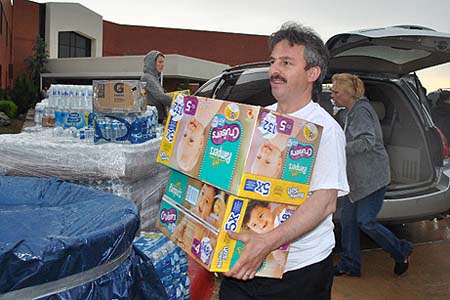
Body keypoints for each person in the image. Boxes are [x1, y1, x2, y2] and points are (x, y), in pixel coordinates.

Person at [220, 22, 349, 300]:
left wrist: (267, 242)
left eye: (287, 63)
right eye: (273, 61)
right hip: (243, 261)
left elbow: (325, 201)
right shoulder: (258, 118)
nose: (275, 70)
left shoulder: (325, 130)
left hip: (298, 272)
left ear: (312, 73)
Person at [331, 73, 413, 277]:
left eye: (336, 92)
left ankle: (401, 250)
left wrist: (339, 149)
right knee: (348, 221)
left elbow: (367, 141)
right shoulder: (347, 112)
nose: (332, 95)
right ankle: (350, 265)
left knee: (365, 221)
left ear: (348, 93)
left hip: (372, 178)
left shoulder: (360, 111)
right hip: (356, 181)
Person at [140, 50, 172, 123]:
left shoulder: (154, 79)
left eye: (163, 62)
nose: (162, 65)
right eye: (160, 62)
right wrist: (180, 101)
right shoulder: (147, 77)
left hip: (158, 117)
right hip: (153, 119)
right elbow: (160, 96)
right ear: (151, 63)